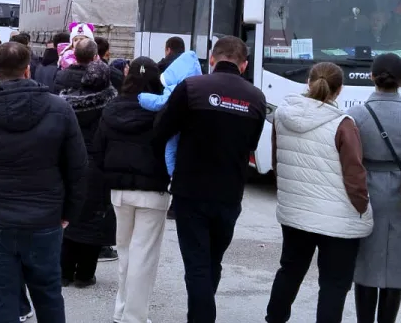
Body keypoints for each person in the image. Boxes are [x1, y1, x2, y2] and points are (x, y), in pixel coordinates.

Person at [0, 42, 87, 323]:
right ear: (28, 70)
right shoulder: (59, 110)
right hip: (45, 219)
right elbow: (78, 168)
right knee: (48, 292)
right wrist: (69, 213)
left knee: (1, 295)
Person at [153, 36, 266, 323]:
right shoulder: (256, 98)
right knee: (212, 261)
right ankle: (201, 312)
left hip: (191, 191)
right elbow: (251, 144)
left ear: (212, 60)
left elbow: (161, 130)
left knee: (197, 265)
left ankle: (201, 317)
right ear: (244, 65)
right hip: (230, 193)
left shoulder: (191, 87)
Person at [266, 62, 370, 323]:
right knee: (334, 284)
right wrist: (362, 208)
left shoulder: (282, 115)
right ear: (340, 90)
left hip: (296, 210)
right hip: (338, 217)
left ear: (308, 83)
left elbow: (278, 162)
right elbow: (354, 175)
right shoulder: (344, 124)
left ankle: (274, 319)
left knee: (290, 270)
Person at [345, 54, 401, 323]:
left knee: (366, 262)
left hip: (365, 192)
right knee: (396, 266)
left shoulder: (357, 114)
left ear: (372, 76)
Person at [93, 56, 171, 323]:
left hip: (119, 191)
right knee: (144, 256)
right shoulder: (161, 111)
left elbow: (98, 150)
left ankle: (121, 310)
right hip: (153, 190)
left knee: (125, 252)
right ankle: (134, 317)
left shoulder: (112, 107)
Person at [55, 39, 118, 287]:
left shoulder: (64, 92)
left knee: (69, 213)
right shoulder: (109, 101)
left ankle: (64, 272)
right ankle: (84, 274)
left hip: (70, 158)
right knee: (94, 215)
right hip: (97, 161)